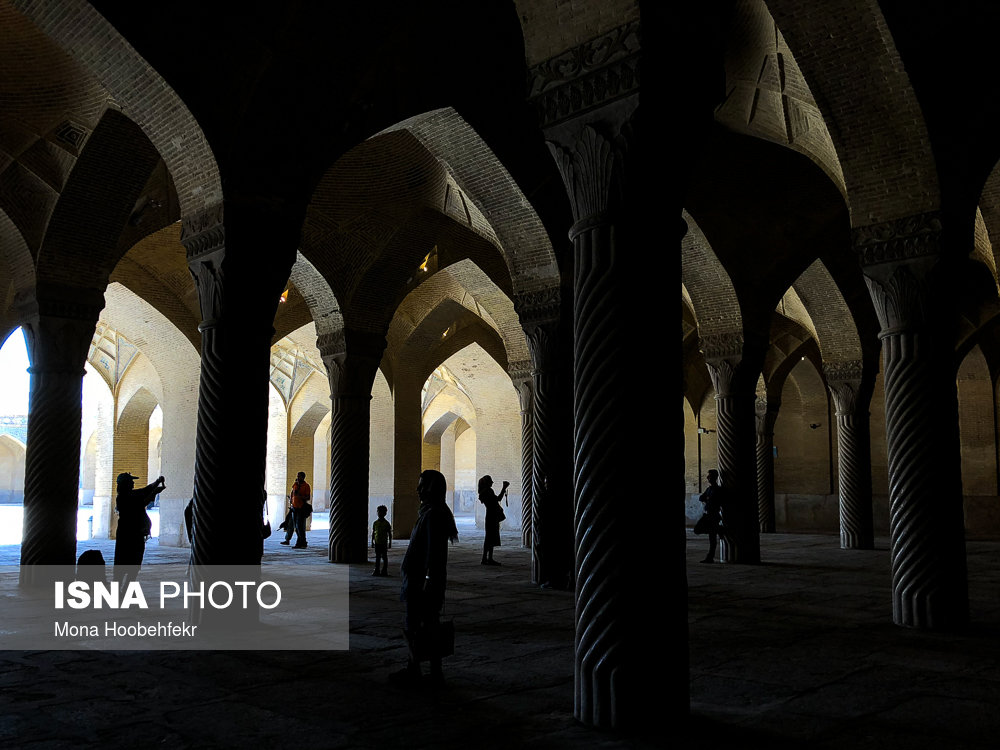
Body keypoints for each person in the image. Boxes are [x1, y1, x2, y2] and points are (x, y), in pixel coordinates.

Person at [392, 469, 458, 687]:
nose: (418, 489)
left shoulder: (432, 515)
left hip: (422, 582)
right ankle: (432, 671)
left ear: (431, 488)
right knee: (429, 625)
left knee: (417, 625)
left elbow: (434, 552)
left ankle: (417, 669)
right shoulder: (432, 512)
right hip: (423, 580)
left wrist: (428, 580)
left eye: (422, 485)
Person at [113, 472, 165, 584]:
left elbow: (145, 490)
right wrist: (154, 493)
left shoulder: (130, 495)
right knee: (124, 564)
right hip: (129, 534)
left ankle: (125, 590)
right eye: (130, 482)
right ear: (125, 484)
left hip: (135, 534)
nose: (132, 483)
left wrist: (157, 482)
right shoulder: (122, 498)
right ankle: (119, 592)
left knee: (134, 564)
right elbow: (138, 505)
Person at [693, 469, 724, 563]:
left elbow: (716, 501)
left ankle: (710, 558)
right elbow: (701, 497)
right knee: (697, 529)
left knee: (712, 539)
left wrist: (708, 498)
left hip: (713, 515)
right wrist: (708, 498)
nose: (707, 478)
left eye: (709, 476)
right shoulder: (709, 489)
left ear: (714, 477)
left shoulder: (718, 490)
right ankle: (719, 529)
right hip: (707, 515)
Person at [478, 474, 508, 565]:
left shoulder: (484, 492)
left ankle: (487, 558)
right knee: (490, 538)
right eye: (490, 481)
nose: (492, 482)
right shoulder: (488, 491)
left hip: (490, 515)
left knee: (489, 538)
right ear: (487, 482)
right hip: (492, 516)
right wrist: (504, 488)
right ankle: (487, 558)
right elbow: (498, 499)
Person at [280, 471, 311, 548]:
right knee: (292, 525)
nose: (298, 478)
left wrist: (299, 496)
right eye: (297, 476)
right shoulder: (295, 485)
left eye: (299, 476)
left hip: (301, 509)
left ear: (303, 477)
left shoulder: (306, 486)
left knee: (300, 527)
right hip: (294, 508)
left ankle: (302, 542)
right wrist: (291, 500)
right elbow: (292, 493)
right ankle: (292, 540)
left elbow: (308, 497)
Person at [371, 504, 392, 576]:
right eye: (378, 512)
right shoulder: (375, 523)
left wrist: (389, 543)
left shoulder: (387, 523)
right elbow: (373, 533)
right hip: (377, 543)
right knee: (377, 557)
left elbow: (389, 533)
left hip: (383, 543)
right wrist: (372, 542)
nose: (379, 513)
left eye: (381, 512)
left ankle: (384, 570)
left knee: (384, 557)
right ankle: (377, 570)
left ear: (385, 513)